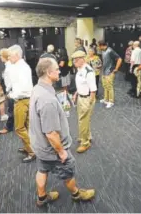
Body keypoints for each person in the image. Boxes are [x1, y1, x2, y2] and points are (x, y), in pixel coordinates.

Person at [29, 58, 95, 207]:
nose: (60, 71)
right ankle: (77, 195)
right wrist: (61, 152)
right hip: (52, 149)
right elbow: (51, 133)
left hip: (40, 146)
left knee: (42, 169)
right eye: (57, 69)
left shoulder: (38, 88)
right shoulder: (47, 100)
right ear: (48, 72)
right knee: (68, 172)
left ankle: (41, 198)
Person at [7, 45, 35, 163]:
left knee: (19, 128)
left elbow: (22, 88)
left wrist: (11, 95)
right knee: (27, 127)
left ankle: (32, 151)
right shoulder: (21, 66)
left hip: (21, 100)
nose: (8, 58)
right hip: (27, 99)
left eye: (10, 55)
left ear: (17, 55)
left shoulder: (21, 68)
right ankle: (28, 147)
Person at [72, 51, 97, 153]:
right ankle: (86, 135)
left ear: (82, 59)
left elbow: (93, 90)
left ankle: (85, 143)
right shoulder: (80, 69)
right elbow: (82, 84)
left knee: (83, 120)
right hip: (81, 97)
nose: (74, 62)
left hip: (87, 99)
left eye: (76, 60)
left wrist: (89, 103)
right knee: (83, 119)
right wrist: (76, 93)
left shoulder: (88, 71)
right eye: (73, 60)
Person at [98, 40, 122, 109]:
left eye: (98, 46)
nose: (98, 47)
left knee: (109, 87)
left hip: (110, 72)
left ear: (101, 45)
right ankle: (106, 99)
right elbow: (106, 61)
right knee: (105, 86)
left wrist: (116, 68)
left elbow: (120, 59)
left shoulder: (110, 50)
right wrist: (101, 66)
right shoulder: (103, 51)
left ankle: (111, 101)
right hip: (104, 71)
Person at [0, 48, 14, 135]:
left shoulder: (9, 67)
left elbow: (10, 82)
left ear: (4, 56)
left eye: (0, 55)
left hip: (12, 92)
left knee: (11, 110)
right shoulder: (10, 65)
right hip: (13, 92)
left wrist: (7, 92)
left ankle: (8, 127)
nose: (0, 57)